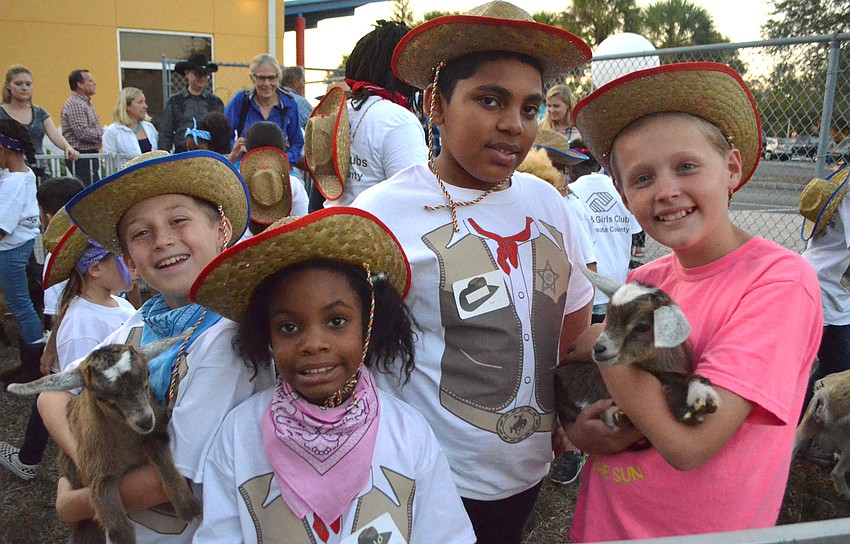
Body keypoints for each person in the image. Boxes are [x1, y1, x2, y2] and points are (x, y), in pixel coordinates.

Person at [352, 3, 594, 541]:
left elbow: (571, 320)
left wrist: (568, 411)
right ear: (436, 104)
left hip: (525, 470)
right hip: (425, 478)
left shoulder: (549, 204)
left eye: (530, 108)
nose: (513, 124)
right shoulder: (380, 214)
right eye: (489, 100)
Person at [566, 62, 822, 541]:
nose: (666, 191)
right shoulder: (644, 279)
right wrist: (584, 436)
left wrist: (611, 344)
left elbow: (689, 443)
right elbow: (613, 411)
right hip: (604, 525)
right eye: (642, 179)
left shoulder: (779, 282)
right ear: (623, 197)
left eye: (686, 166)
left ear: (731, 168)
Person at [190, 208, 476, 543]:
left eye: (336, 321)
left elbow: (445, 535)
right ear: (266, 335)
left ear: (369, 322)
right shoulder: (238, 435)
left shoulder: (408, 434)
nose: (313, 344)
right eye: (288, 327)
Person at [39, 150, 275, 543]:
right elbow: (50, 397)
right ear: (130, 258)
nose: (163, 241)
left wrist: (75, 501)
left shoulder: (228, 339)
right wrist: (93, 469)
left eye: (179, 220)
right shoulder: (142, 320)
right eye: (141, 233)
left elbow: (172, 478)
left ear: (223, 229)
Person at [0, 207, 136, 481]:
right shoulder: (81, 326)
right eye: (125, 258)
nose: (135, 265)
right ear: (95, 268)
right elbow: (80, 393)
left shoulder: (119, 302)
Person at [316, 20, 427, 208]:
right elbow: (416, 199)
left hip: (335, 227)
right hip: (376, 233)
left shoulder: (342, 111)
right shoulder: (398, 121)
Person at [798, 166, 850, 464]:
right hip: (821, 288)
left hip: (837, 292)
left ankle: (806, 436)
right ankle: (796, 437)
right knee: (813, 366)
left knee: (837, 366)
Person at [567, 138, 641, 322]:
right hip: (617, 282)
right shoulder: (619, 190)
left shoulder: (571, 194)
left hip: (587, 287)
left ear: (571, 168)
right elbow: (634, 231)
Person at [0, 119, 44, 386]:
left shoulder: (14, 183)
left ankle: (34, 366)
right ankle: (29, 362)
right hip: (18, 248)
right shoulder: (19, 176)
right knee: (24, 306)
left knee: (22, 308)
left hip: (10, 250)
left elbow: (2, 228)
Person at [225, 54, 303, 166]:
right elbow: (225, 136)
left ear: (278, 78)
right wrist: (237, 147)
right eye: (261, 78)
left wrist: (285, 159)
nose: (266, 84)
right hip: (244, 164)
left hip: (278, 168)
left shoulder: (289, 104)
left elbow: (297, 142)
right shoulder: (241, 100)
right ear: (252, 78)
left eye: (271, 78)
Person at [1, 65, 79, 175]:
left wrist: (68, 147)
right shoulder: (1, 112)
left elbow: (54, 135)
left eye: (28, 84)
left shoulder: (39, 112)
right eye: (18, 84)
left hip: (39, 170)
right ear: (8, 85)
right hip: (10, 171)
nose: (24, 88)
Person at [158, 54, 225, 154]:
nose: (202, 78)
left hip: (208, 155)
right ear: (187, 73)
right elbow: (165, 133)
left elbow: (221, 133)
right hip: (182, 154)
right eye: (197, 74)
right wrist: (164, 158)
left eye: (205, 74)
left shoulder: (215, 102)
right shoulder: (175, 101)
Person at [61, 69, 102, 185]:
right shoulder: (76, 104)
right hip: (81, 157)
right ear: (80, 85)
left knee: (93, 189)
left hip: (88, 156)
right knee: (90, 192)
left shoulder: (84, 103)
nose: (94, 83)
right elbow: (83, 133)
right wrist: (104, 134)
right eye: (90, 81)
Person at [103, 87, 158, 157]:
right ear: (127, 106)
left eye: (144, 102)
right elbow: (109, 161)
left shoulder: (150, 128)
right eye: (140, 102)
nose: (145, 106)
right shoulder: (112, 132)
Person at [280, 65, 313, 131]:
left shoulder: (274, 98)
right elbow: (314, 126)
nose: (304, 85)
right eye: (303, 81)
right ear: (295, 82)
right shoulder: (300, 101)